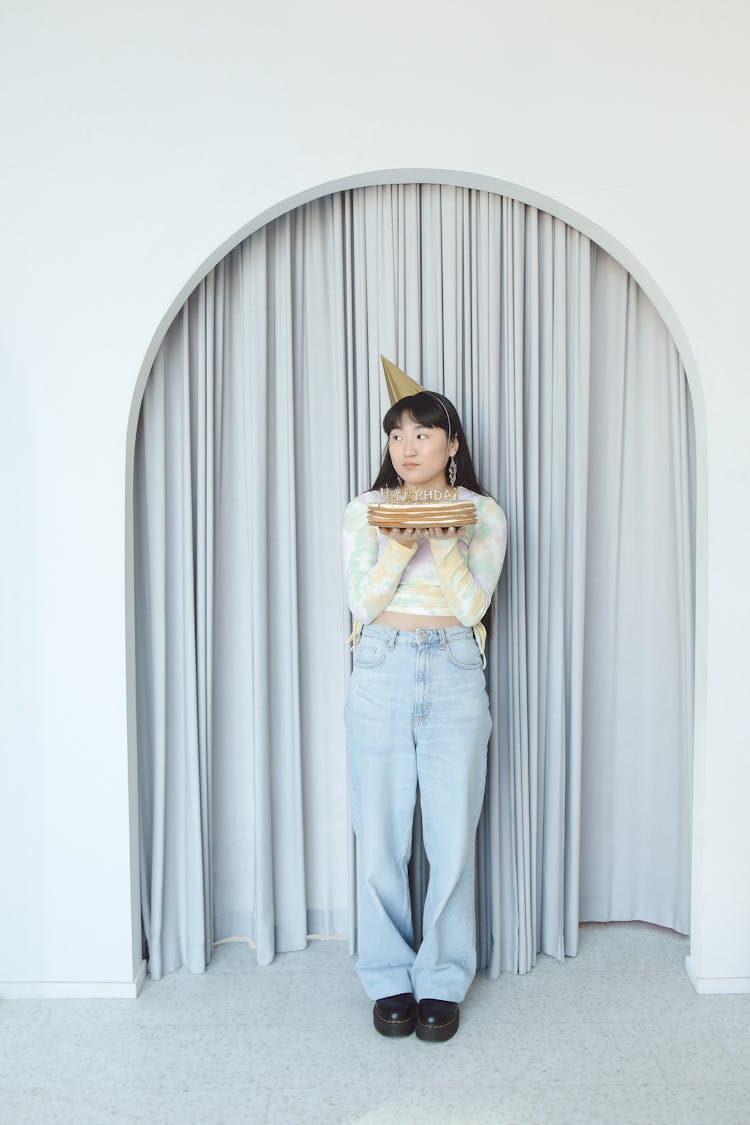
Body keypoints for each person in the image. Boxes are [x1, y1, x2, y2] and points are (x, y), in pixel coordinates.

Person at [342, 358, 507, 1043]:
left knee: (450, 833)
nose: (407, 448)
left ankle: (441, 976)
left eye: (422, 434)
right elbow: (361, 602)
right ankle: (386, 974)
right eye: (396, 435)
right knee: (378, 834)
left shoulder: (483, 513)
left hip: (455, 667)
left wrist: (441, 547)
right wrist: (394, 547)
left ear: (452, 443)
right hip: (380, 664)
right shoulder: (364, 511)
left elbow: (475, 604)